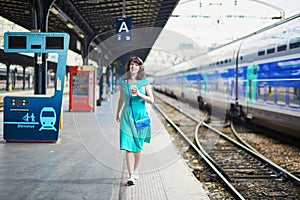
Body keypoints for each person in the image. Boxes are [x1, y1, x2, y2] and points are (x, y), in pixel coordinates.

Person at [116, 56, 154, 186]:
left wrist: (139, 94)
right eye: (132, 64)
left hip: (140, 117)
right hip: (126, 116)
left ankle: (136, 171)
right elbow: (121, 99)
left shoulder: (144, 82)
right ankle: (131, 174)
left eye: (136, 65)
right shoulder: (123, 83)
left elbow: (151, 100)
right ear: (128, 67)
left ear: (139, 67)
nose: (133, 67)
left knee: (138, 147)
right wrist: (118, 113)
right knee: (128, 147)